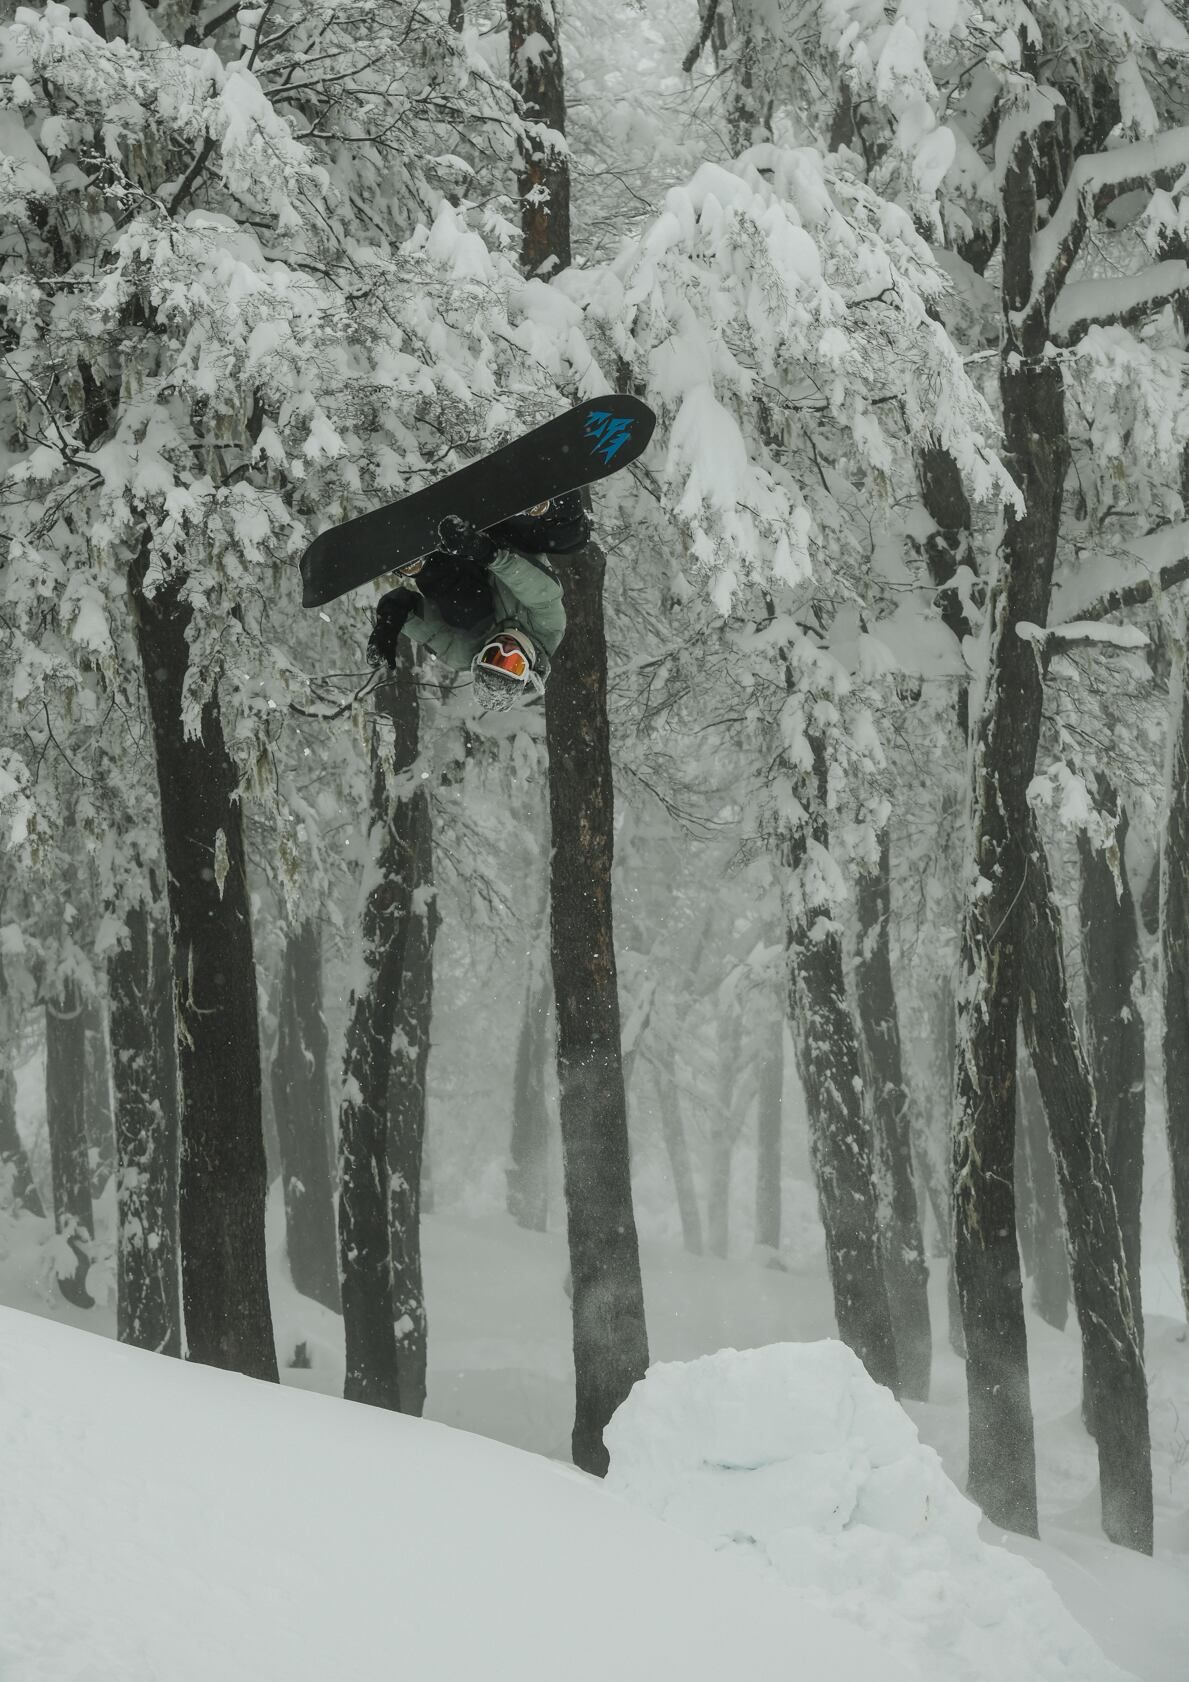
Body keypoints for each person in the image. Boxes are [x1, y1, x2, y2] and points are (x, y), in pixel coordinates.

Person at [366, 491, 590, 709]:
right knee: (574, 538)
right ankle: (545, 501)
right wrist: (486, 551)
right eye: (513, 663)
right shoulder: (549, 629)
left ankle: (422, 564)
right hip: (512, 538)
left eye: (493, 655)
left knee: (467, 615)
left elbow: (409, 609)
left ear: (479, 658)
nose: (506, 648)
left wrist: (390, 621)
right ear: (529, 667)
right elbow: (533, 585)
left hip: (459, 549)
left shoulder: (461, 653)